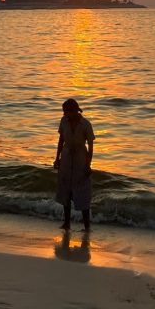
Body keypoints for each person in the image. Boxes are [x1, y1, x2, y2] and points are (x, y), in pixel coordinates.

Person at [53, 98, 95, 231]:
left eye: (66, 112)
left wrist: (88, 165)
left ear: (74, 111)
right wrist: (57, 159)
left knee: (82, 193)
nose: (64, 114)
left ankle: (87, 226)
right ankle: (67, 223)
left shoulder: (85, 124)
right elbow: (61, 141)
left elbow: (91, 147)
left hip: (80, 161)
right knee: (66, 192)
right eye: (64, 112)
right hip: (66, 160)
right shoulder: (63, 121)